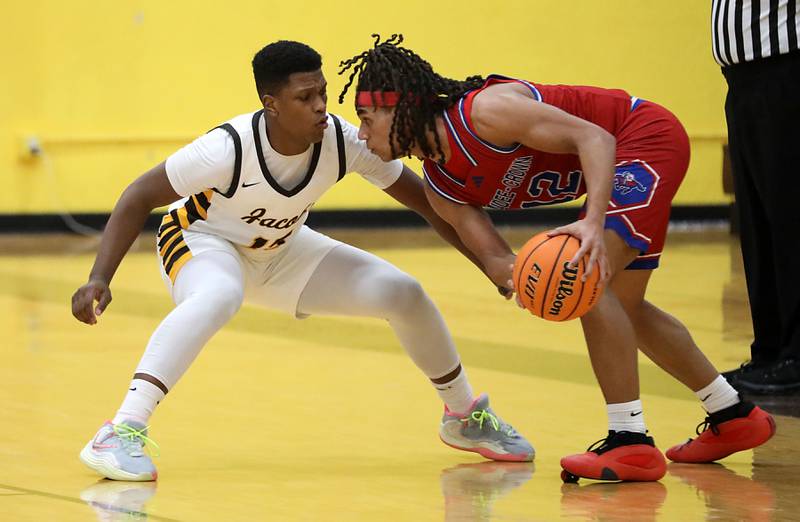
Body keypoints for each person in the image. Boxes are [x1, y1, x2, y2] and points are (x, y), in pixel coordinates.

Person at [72, 40, 534, 482]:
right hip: (201, 240)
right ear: (272, 104)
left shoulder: (342, 141)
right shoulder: (228, 148)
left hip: (281, 249)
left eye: (323, 93)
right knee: (219, 294)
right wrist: (99, 277)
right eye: (305, 97)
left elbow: (430, 204)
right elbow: (138, 196)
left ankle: (462, 415)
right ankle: (121, 431)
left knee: (402, 293)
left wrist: (489, 264)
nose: (320, 106)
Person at [339, 34, 775, 482]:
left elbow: (596, 138)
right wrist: (522, 279)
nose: (363, 133)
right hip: (621, 160)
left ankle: (630, 442)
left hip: (643, 138)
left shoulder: (484, 113)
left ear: (402, 108)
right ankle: (732, 413)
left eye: (367, 118)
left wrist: (592, 222)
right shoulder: (442, 187)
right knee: (623, 309)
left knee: (587, 275)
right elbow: (494, 258)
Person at [712, 0, 800, 394]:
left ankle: (797, 355)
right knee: (758, 224)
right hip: (745, 81)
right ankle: (769, 350)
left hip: (787, 70)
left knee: (790, 216)